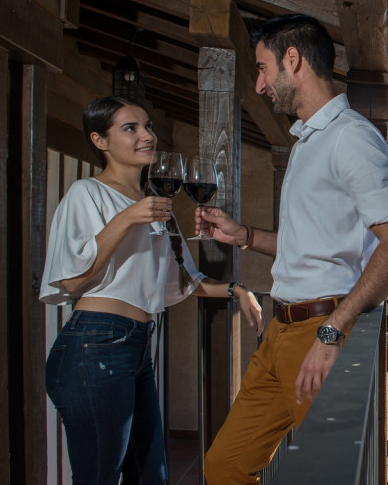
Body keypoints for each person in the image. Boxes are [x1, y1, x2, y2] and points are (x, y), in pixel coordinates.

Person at [196, 14, 388, 483]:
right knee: (225, 466)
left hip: (319, 331)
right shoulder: (305, 142)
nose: (258, 85)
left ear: (292, 60)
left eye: (261, 68)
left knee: (329, 471)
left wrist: (333, 331)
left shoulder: (351, 137)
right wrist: (245, 236)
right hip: (279, 331)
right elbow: (312, 245)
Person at [40, 96, 263, 485]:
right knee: (99, 477)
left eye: (147, 126)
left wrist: (237, 290)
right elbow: (72, 281)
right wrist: (127, 218)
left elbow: (183, 280)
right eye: (130, 128)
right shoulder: (86, 194)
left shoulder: (153, 205)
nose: (146, 135)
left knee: (151, 475)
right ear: (100, 140)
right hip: (94, 345)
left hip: (138, 347)